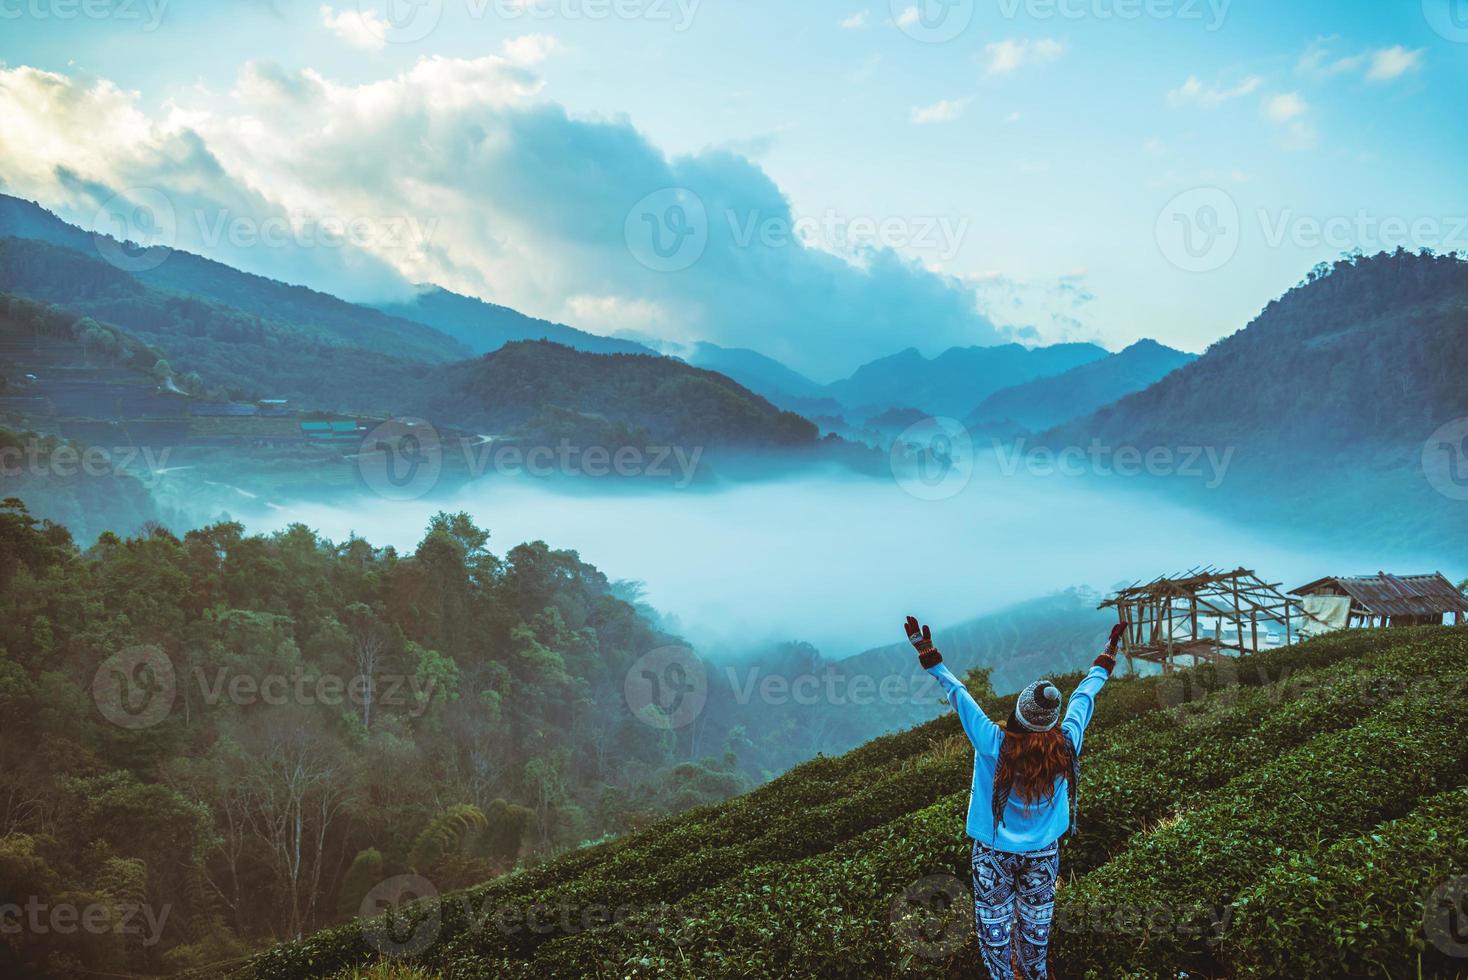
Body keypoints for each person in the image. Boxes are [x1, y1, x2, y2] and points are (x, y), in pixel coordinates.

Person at [903, 615, 1127, 980]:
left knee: (995, 929)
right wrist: (1107, 655)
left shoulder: (995, 743)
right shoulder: (1066, 744)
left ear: (1019, 714)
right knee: (1035, 929)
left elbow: (962, 698)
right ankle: (1034, 973)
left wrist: (933, 660)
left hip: (993, 852)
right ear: (1052, 721)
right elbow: (1084, 697)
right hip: (1042, 852)